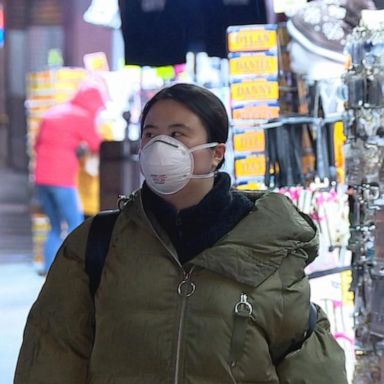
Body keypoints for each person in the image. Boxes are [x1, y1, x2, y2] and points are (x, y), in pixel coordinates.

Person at [15, 83, 347, 383]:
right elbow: (53, 351)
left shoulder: (269, 244)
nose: (160, 145)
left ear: (216, 152)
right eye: (150, 134)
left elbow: (304, 358)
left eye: (177, 134)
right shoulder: (97, 243)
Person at [33, 80, 106, 274]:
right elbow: (98, 145)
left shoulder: (53, 112)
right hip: (62, 179)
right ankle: (73, 271)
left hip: (41, 178)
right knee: (76, 225)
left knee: (55, 227)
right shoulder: (82, 116)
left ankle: (50, 271)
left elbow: (36, 143)